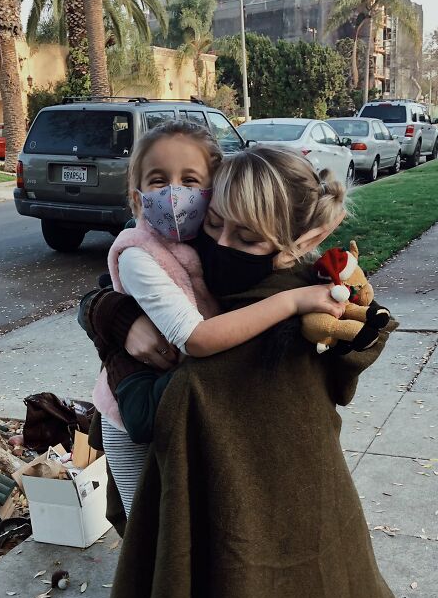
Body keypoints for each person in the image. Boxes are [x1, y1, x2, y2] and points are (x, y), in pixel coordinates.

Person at [92, 145, 401, 598]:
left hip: (289, 527)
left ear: (293, 242)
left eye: (249, 237)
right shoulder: (202, 289)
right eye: (215, 225)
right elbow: (145, 286)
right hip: (209, 502)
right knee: (156, 550)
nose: (223, 245)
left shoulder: (306, 303)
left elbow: (346, 351)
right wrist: (109, 313)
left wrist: (118, 350)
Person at [93, 120, 345, 519]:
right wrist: (110, 316)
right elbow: (195, 336)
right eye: (158, 181)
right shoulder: (151, 247)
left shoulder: (199, 240)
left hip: (186, 422)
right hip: (129, 422)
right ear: (137, 196)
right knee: (144, 532)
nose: (175, 195)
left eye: (190, 181)